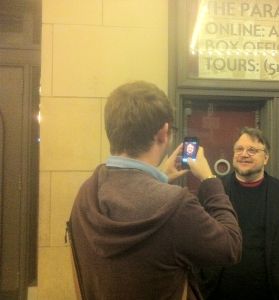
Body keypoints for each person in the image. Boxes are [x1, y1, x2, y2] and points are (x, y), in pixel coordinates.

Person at [68, 81, 242, 300]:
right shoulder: (176, 204)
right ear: (163, 133)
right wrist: (209, 179)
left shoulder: (87, 190)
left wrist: (159, 177)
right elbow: (230, 246)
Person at [199, 127, 279, 300]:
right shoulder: (213, 192)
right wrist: (200, 283)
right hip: (218, 293)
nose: (244, 154)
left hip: (276, 294)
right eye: (239, 149)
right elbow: (196, 240)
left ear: (266, 158)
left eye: (252, 150)